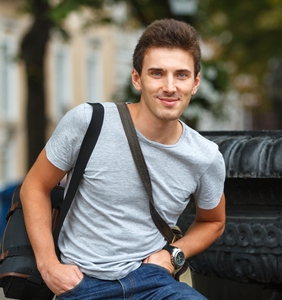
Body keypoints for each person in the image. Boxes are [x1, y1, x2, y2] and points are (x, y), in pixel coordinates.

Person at [20, 19, 226, 300]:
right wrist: (49, 267)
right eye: (157, 73)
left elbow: (213, 222)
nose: (169, 86)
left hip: (154, 281)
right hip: (82, 282)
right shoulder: (89, 121)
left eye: (181, 75)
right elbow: (35, 186)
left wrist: (173, 254)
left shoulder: (205, 156)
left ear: (195, 83)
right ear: (137, 79)